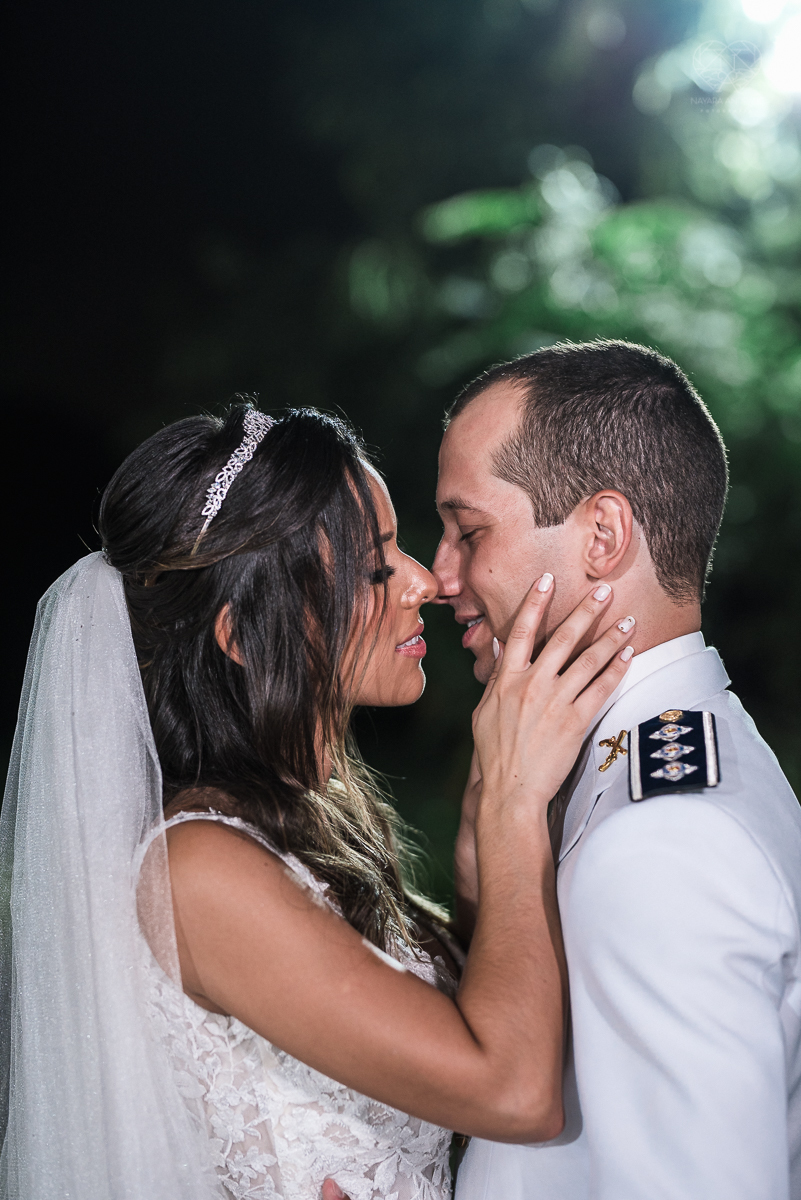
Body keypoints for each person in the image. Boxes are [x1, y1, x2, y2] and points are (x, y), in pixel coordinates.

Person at [0, 403, 636, 1200]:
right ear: (244, 635)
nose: (427, 584)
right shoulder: (200, 872)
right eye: (376, 569)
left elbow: (494, 1012)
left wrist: (481, 831)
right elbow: (511, 1092)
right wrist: (513, 802)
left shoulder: (303, 820)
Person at [433, 339, 801, 1200]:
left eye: (469, 530)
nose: (438, 575)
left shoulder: (660, 837)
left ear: (602, 535)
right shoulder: (652, 761)